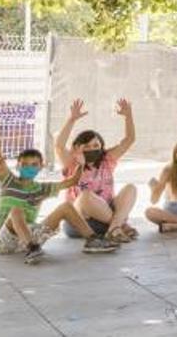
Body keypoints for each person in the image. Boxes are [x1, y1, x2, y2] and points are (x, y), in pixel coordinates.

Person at [0, 112, 118, 263]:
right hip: (4, 241)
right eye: (25, 164)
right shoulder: (8, 181)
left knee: (66, 206)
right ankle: (32, 249)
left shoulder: (41, 189)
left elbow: (72, 181)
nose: (29, 167)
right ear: (17, 165)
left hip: (31, 236)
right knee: (16, 210)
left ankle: (93, 240)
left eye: (34, 164)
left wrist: (81, 165)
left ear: (40, 167)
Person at [55, 98, 139, 244]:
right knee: (86, 196)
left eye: (95, 145)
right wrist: (72, 119)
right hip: (80, 222)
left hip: (106, 217)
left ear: (101, 146)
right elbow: (59, 146)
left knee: (130, 188)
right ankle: (119, 226)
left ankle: (114, 228)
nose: (91, 149)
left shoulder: (107, 159)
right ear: (76, 148)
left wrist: (128, 116)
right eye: (86, 146)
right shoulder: (72, 162)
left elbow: (129, 139)